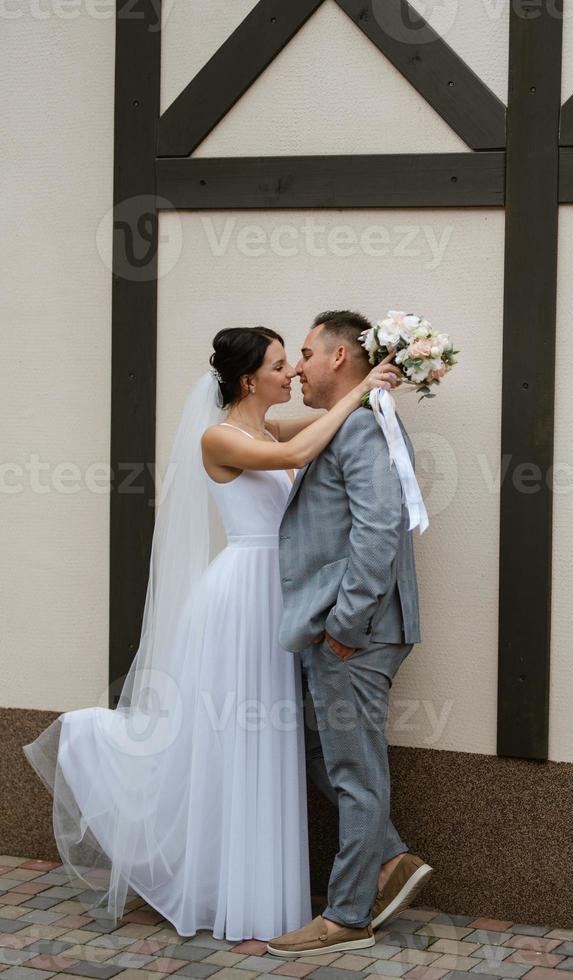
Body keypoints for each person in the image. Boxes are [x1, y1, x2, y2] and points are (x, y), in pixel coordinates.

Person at [22, 324, 401, 942]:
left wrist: (359, 396)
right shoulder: (219, 437)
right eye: (282, 365)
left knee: (276, 736)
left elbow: (307, 438)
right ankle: (227, 882)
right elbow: (299, 456)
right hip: (242, 594)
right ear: (250, 378)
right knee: (241, 734)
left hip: (280, 592)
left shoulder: (263, 426)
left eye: (296, 362)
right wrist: (358, 397)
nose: (293, 374)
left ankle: (279, 884)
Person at [266, 311, 434, 957]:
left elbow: (379, 532)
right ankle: (389, 860)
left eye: (306, 353)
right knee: (320, 747)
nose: (300, 368)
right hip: (348, 632)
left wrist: (344, 628)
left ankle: (346, 916)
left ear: (340, 358)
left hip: (354, 637)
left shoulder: (363, 428)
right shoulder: (357, 421)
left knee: (354, 769)